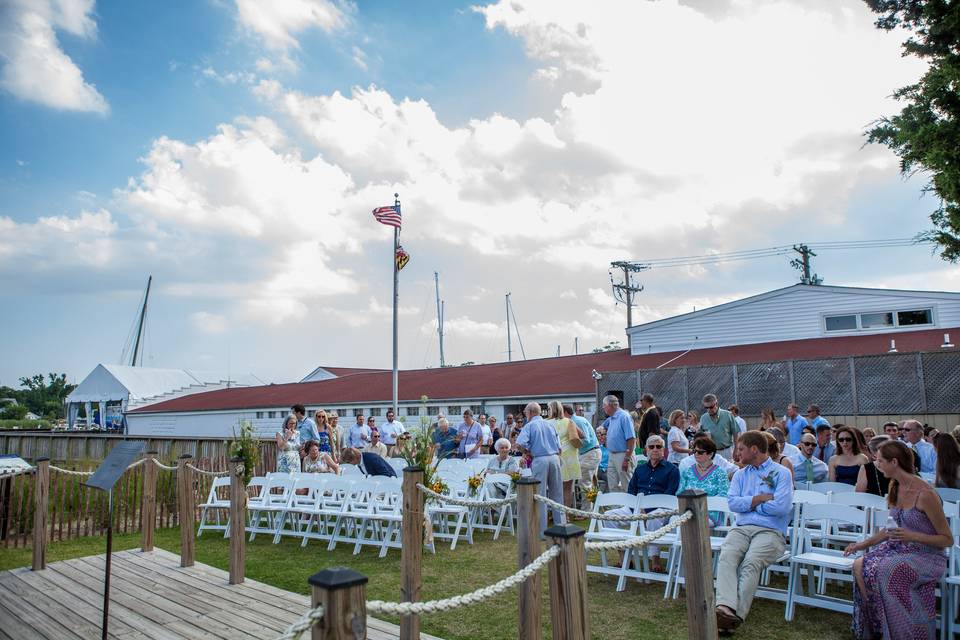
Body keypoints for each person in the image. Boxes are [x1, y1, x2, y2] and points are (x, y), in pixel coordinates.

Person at [845, 441, 952, 639]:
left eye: (880, 461)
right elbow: (890, 529)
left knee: (887, 571)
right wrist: (862, 545)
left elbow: (947, 539)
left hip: (927, 555)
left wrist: (912, 536)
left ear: (894, 462)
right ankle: (878, 625)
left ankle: (904, 632)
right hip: (899, 548)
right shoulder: (896, 486)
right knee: (859, 565)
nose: (877, 464)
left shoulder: (925, 494)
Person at [715, 431, 793, 632]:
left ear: (754, 449)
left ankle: (733, 617)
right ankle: (724, 607)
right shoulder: (740, 475)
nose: (737, 453)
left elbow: (781, 508)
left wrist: (749, 505)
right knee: (727, 556)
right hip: (742, 528)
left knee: (751, 562)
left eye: (740, 449)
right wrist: (758, 500)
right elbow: (732, 503)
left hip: (771, 531)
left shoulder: (781, 473)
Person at [624, 435, 679, 572]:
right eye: (651, 446)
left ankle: (655, 558)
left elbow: (669, 495)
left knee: (653, 520)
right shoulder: (639, 470)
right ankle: (624, 558)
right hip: (637, 507)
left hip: (660, 509)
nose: (655, 449)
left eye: (658, 446)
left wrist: (647, 510)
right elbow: (631, 491)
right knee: (609, 517)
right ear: (646, 450)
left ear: (664, 450)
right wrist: (638, 507)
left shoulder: (672, 470)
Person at [517, 402, 564, 536]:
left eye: (526, 412)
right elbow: (559, 447)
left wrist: (527, 452)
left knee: (540, 494)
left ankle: (542, 531)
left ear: (530, 412)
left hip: (540, 459)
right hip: (554, 458)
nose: (525, 415)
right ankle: (560, 526)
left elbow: (520, 444)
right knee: (557, 493)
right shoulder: (550, 424)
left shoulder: (530, 426)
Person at [677, 435, 730, 525]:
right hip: (688, 511)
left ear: (710, 454)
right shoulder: (688, 471)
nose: (696, 454)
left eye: (700, 452)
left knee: (697, 522)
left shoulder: (720, 473)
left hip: (711, 513)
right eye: (695, 451)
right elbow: (679, 492)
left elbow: (723, 495)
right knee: (673, 520)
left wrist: (701, 505)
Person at [547, 401, 581, 507]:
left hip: (555, 455)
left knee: (554, 487)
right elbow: (581, 435)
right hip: (570, 455)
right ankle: (566, 514)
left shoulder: (546, 423)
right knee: (568, 488)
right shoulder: (569, 421)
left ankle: (556, 513)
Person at [600, 395, 636, 493]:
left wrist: (627, 459)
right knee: (612, 485)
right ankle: (615, 507)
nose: (603, 408)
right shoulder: (611, 418)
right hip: (612, 455)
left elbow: (631, 439)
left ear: (610, 405)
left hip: (623, 454)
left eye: (604, 405)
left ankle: (630, 507)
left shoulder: (624, 416)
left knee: (626, 484)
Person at [567, 404, 600, 496]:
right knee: (590, 484)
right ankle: (593, 506)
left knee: (585, 484)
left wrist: (571, 444)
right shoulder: (575, 421)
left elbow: (586, 440)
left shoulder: (577, 421)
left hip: (590, 453)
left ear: (565, 413)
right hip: (588, 453)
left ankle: (587, 509)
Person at [699, 394, 739, 460]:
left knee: (728, 470)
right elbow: (700, 435)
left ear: (716, 403)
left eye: (711, 407)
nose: (709, 410)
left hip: (727, 451)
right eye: (706, 408)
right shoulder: (703, 418)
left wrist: (736, 449)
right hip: (711, 452)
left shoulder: (728, 415)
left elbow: (736, 433)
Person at [596, 426, 609, 492]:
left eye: (602, 434)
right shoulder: (596, 446)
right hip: (599, 469)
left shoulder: (610, 446)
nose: (600, 436)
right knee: (610, 478)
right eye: (597, 434)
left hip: (608, 469)